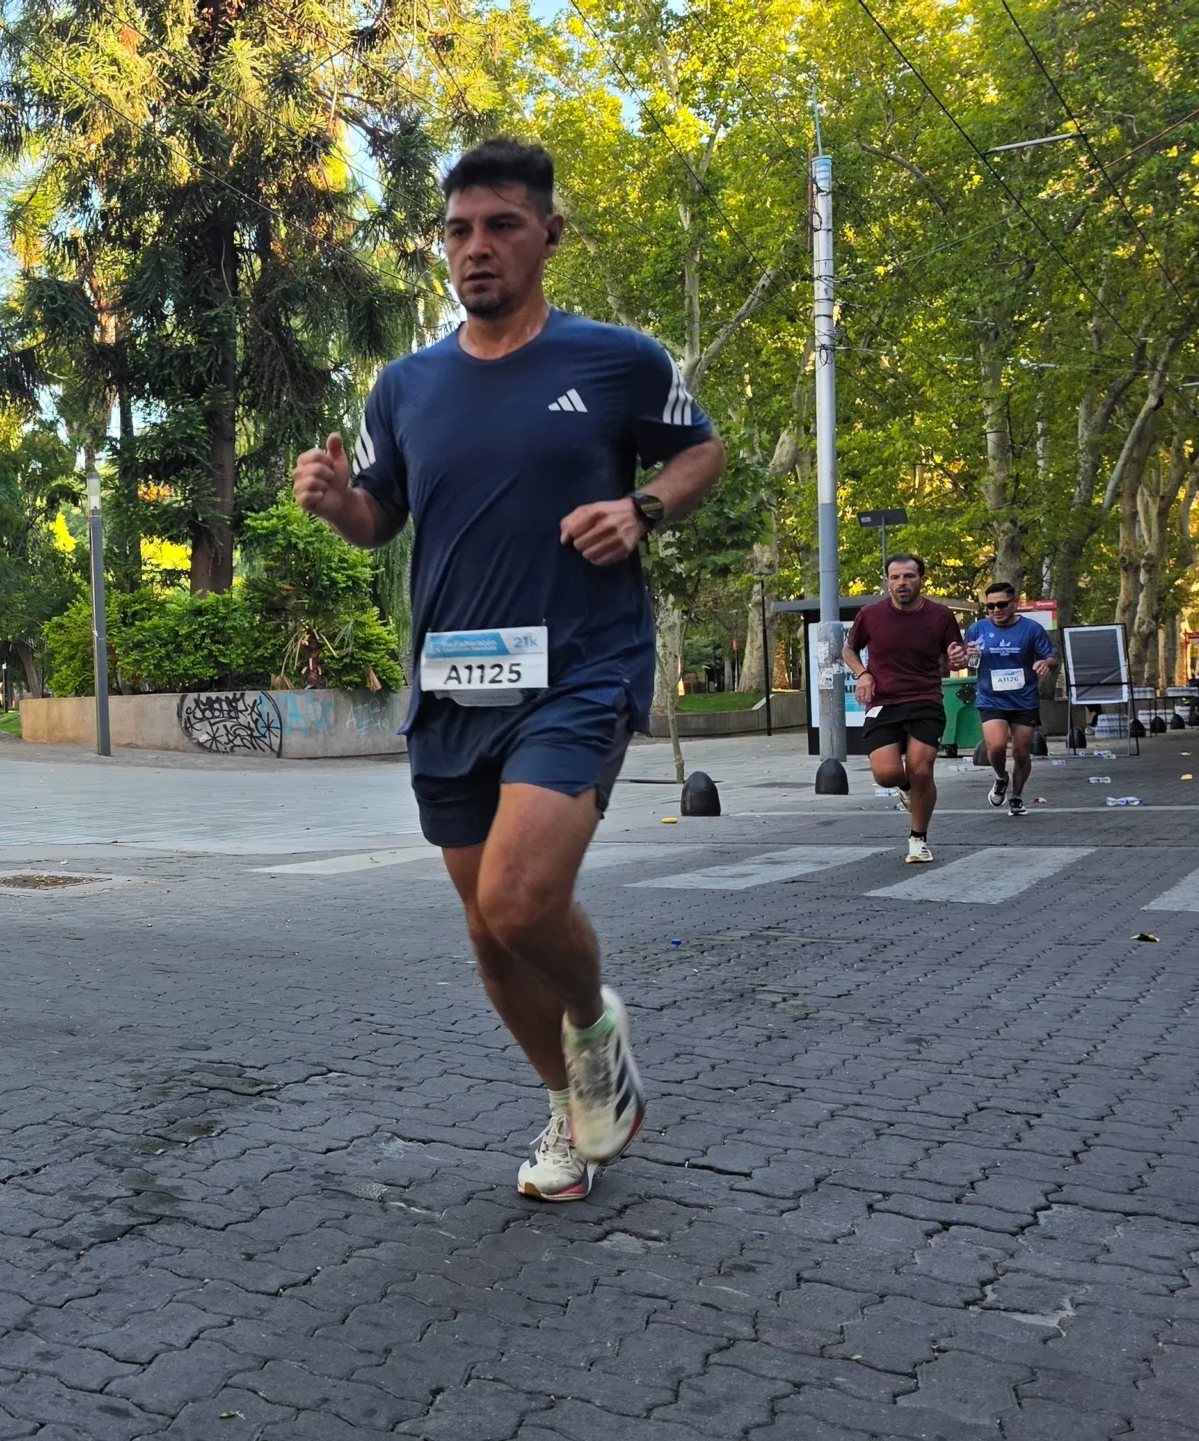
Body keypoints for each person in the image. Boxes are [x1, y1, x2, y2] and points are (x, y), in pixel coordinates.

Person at [291, 138, 726, 1203]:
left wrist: (643, 506)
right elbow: (380, 516)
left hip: (580, 665)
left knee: (521, 899)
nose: (474, 248)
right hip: (451, 684)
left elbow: (699, 450)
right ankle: (574, 1107)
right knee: (489, 936)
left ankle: (592, 1025)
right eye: (457, 231)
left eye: (500, 226)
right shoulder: (404, 386)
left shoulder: (617, 360)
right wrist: (336, 502)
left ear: (548, 235)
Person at [843, 555, 968, 862]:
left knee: (921, 770)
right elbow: (849, 650)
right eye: (895, 577)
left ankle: (918, 839)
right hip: (883, 702)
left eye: (909, 576)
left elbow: (956, 657)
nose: (902, 583)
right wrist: (863, 674)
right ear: (887, 581)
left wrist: (958, 659)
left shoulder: (940, 616)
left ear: (921, 579)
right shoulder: (870, 614)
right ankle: (906, 786)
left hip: (925, 700)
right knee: (886, 775)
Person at [963, 581, 1055, 817]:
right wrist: (966, 656)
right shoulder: (977, 629)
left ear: (1015, 603)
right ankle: (1001, 777)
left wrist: (1045, 662)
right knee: (996, 746)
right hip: (990, 698)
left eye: (1002, 604)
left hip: (1024, 699)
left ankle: (1016, 796)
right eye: (990, 606)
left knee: (1021, 752)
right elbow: (963, 659)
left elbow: (1052, 656)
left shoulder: (1032, 629)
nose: (996, 610)